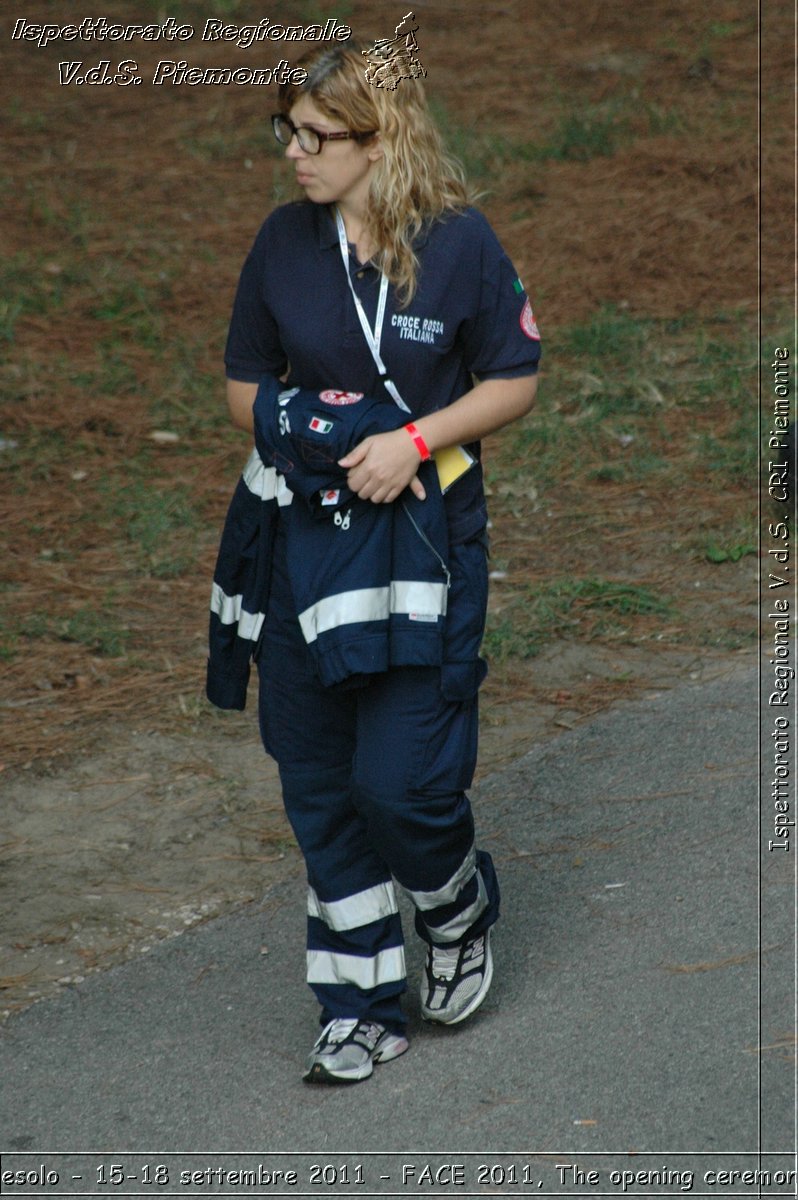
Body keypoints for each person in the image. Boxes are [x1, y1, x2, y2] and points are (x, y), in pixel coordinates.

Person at [219, 43, 541, 1085]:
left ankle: (454, 908)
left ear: (379, 139)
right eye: (290, 133)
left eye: (318, 137)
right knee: (317, 778)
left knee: (400, 782)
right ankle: (357, 997)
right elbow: (241, 387)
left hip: (424, 544)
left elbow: (515, 378)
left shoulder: (458, 245)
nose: (297, 155)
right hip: (304, 544)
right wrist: (310, 422)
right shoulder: (282, 243)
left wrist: (413, 442)